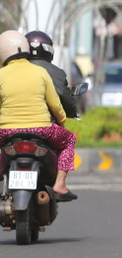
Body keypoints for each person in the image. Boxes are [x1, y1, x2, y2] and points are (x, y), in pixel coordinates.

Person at [0, 30, 78, 201]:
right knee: (70, 139)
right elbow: (55, 105)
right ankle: (60, 185)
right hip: (42, 130)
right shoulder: (40, 72)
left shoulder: (1, 75)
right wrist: (62, 122)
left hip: (6, 132)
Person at [25, 31, 79, 119]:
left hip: (9, 128)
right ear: (49, 50)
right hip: (45, 126)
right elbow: (63, 103)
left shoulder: (10, 70)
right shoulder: (57, 73)